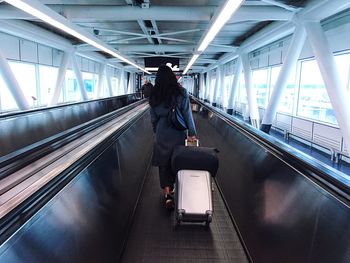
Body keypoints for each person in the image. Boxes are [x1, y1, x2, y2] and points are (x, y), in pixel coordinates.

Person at [149, 65, 197, 210]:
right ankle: (179, 189)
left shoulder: (154, 95)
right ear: (172, 77)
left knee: (163, 165)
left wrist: (156, 130)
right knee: (178, 160)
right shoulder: (181, 93)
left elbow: (153, 117)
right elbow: (188, 114)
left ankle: (168, 194)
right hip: (178, 132)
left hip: (162, 133)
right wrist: (192, 133)